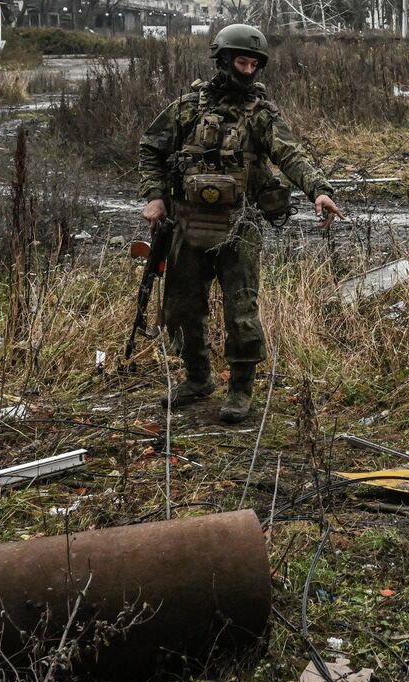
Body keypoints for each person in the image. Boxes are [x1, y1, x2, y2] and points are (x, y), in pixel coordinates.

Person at [138, 24, 342, 423]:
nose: (247, 70)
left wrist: (318, 190)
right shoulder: (187, 107)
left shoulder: (261, 115)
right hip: (187, 224)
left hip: (239, 226)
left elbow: (291, 154)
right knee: (180, 309)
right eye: (241, 61)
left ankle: (241, 388)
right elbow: (150, 148)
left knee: (241, 311)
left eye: (253, 64)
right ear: (223, 60)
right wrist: (155, 197)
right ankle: (197, 378)